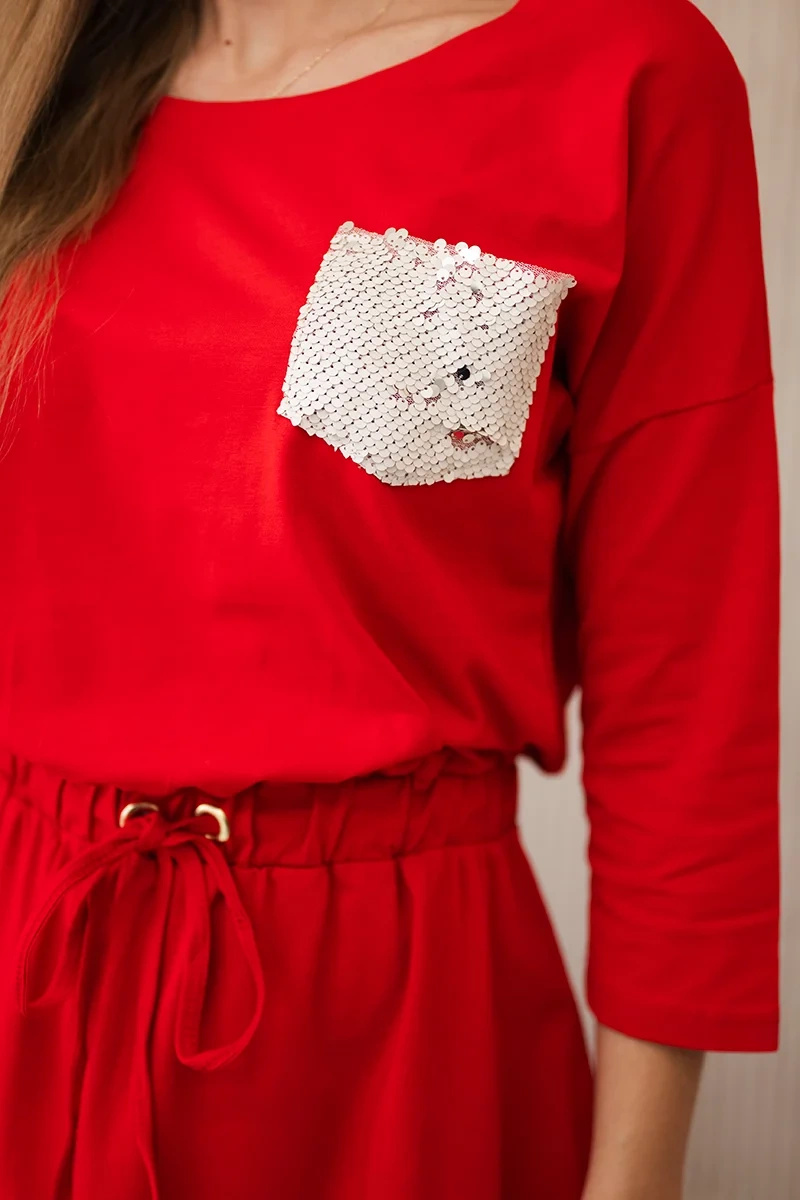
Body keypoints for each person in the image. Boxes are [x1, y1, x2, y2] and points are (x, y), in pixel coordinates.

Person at [0, 0, 781, 1197]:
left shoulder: (623, 72)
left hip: (392, 1031)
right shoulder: (30, 56)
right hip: (29, 961)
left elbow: (687, 693)